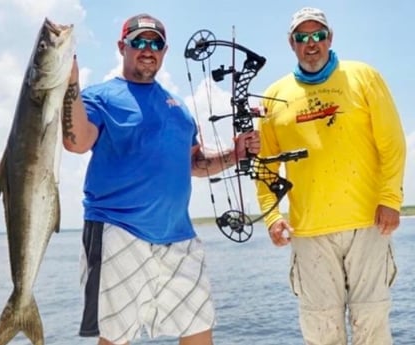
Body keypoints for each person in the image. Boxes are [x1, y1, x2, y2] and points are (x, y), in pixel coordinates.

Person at [62, 13, 260, 345]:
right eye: (138, 41)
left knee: (198, 329)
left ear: (164, 51)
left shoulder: (178, 107)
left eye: (155, 43)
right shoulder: (99, 97)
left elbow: (195, 163)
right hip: (116, 231)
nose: (147, 49)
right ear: (122, 46)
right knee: (115, 337)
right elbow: (76, 142)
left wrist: (234, 153)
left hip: (179, 237)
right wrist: (69, 83)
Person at [255, 7, 406, 345]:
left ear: (330, 38)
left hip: (368, 222)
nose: (312, 44)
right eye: (303, 37)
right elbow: (265, 164)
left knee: (372, 321)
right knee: (321, 329)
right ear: (291, 43)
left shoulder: (364, 76)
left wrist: (391, 199)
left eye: (319, 35)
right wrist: (271, 216)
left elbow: (393, 143)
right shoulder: (274, 95)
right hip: (309, 232)